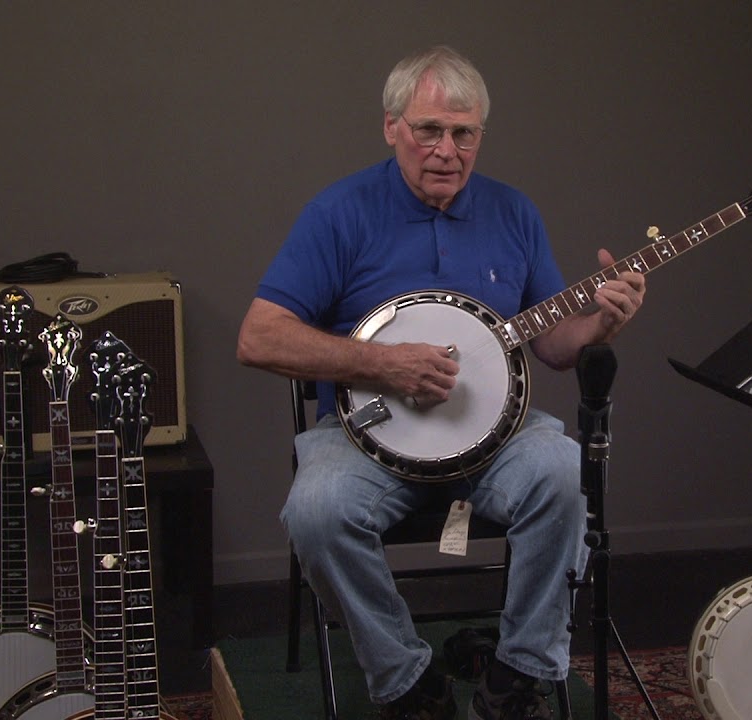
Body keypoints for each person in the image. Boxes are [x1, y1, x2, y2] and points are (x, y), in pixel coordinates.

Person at [237, 45, 646, 720]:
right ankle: (407, 682)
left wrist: (600, 324)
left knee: (567, 473)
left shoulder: (513, 213)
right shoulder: (340, 212)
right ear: (393, 126)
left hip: (498, 435)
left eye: (465, 134)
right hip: (367, 436)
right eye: (429, 130)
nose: (447, 151)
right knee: (317, 511)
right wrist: (379, 364)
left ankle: (517, 675)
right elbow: (259, 337)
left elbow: (552, 345)